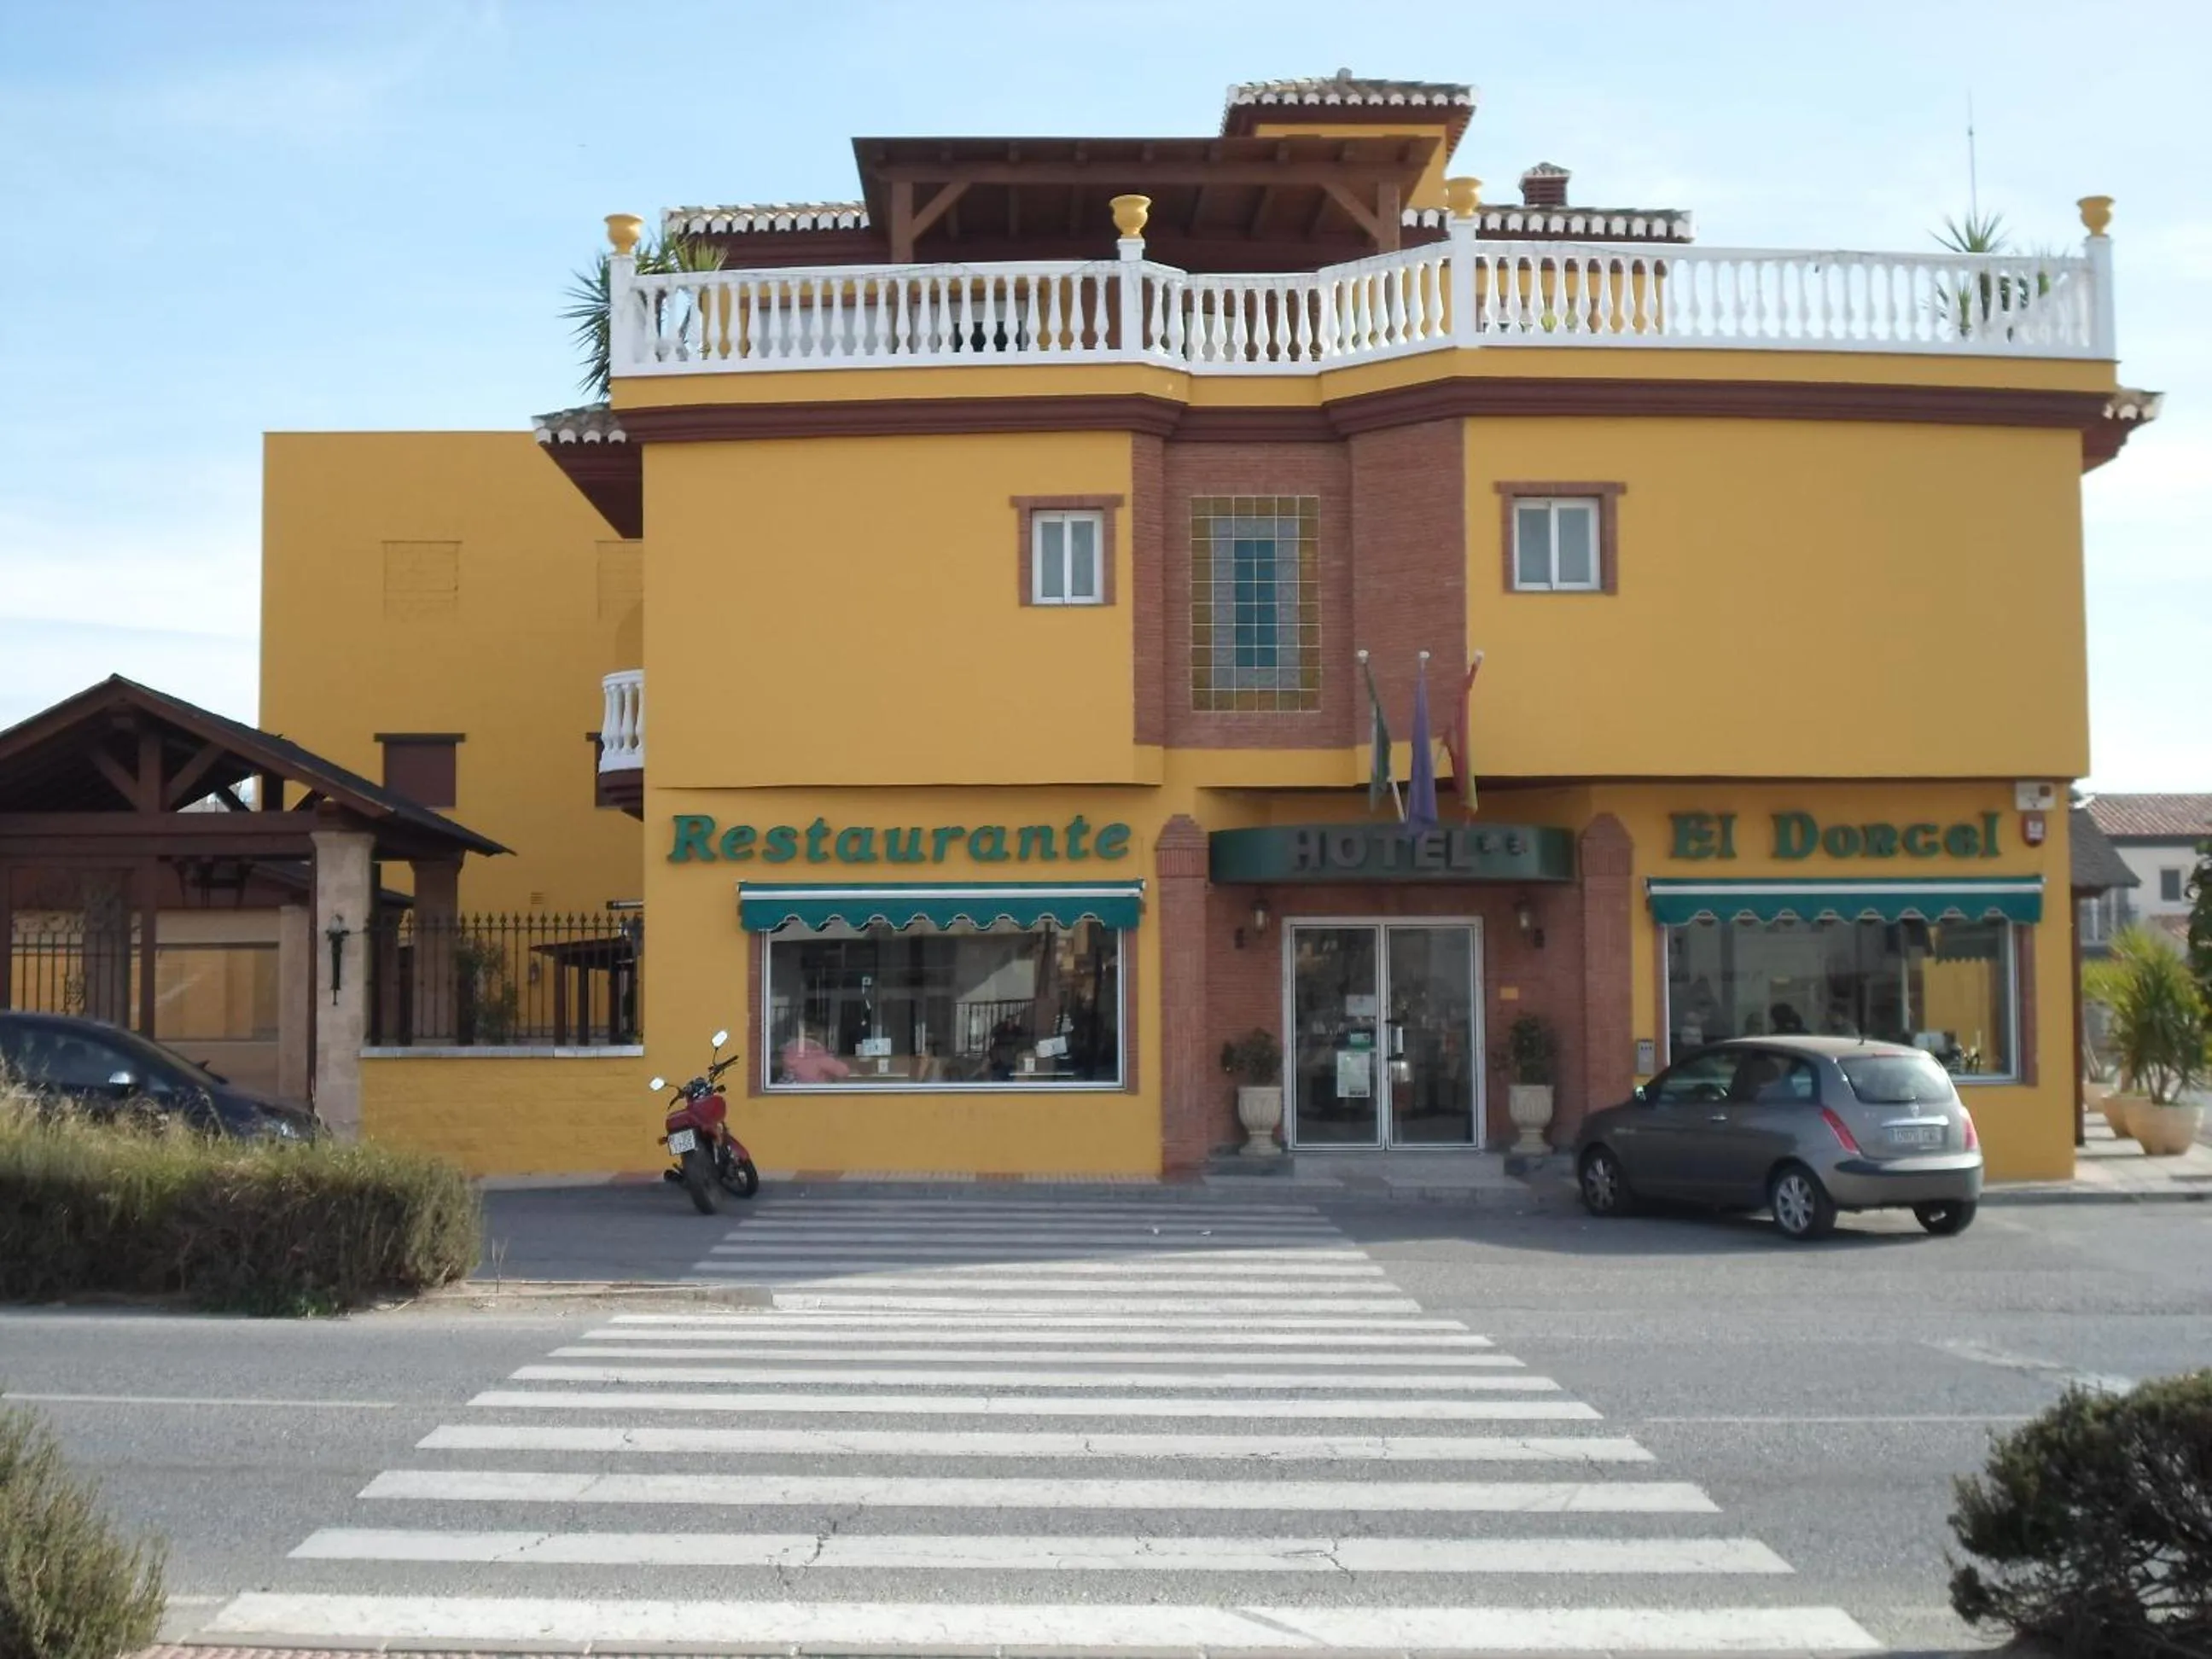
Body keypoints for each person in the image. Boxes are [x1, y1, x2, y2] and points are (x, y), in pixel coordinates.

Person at [778, 1024, 850, 1084]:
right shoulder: (818, 1054)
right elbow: (843, 1071)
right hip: (814, 1093)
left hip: (788, 1092)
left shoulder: (789, 1049)